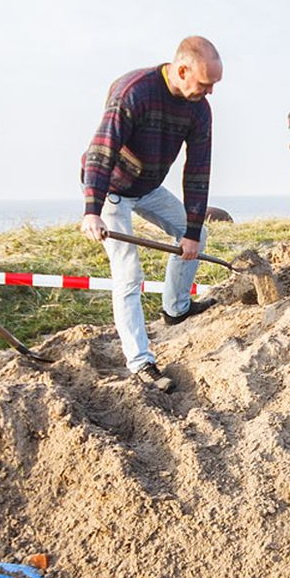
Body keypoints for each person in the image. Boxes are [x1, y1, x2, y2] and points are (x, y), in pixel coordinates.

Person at [80, 36, 222, 393]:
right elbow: (102, 150)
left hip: (148, 187)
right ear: (182, 69)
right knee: (129, 273)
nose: (209, 92)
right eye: (205, 84)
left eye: (214, 85)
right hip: (112, 189)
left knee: (197, 235)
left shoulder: (199, 109)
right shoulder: (135, 92)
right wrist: (92, 211)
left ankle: (176, 308)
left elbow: (198, 170)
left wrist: (190, 231)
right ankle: (140, 361)